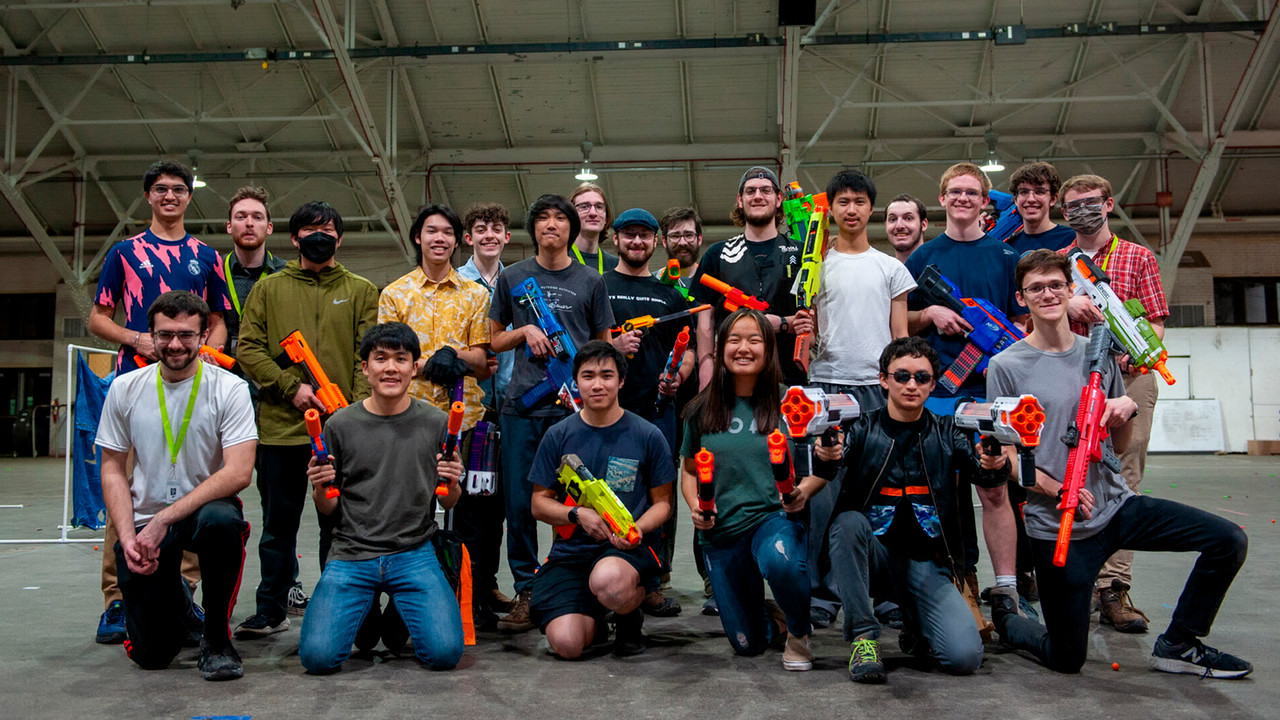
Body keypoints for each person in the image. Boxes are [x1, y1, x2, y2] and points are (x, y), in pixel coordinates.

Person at [988, 249, 1250, 678]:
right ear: (1022, 298)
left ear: (1071, 289)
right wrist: (1058, 489)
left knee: (1228, 540)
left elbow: (1120, 442)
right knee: (1065, 658)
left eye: (1056, 285)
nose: (1048, 293)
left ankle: (1180, 643)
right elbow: (1008, 457)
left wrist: (1126, 409)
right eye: (1036, 288)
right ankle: (1010, 621)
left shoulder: (1099, 352)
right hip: (1059, 527)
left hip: (1117, 507)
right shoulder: (1006, 366)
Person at [89, 160, 232, 645]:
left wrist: (207, 357)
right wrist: (137, 339)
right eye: (160, 189)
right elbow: (97, 319)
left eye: (178, 189)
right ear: (148, 196)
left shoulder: (206, 255)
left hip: (191, 384)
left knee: (193, 487)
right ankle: (116, 599)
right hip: (136, 381)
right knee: (126, 490)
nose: (169, 196)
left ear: (189, 197)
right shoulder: (124, 253)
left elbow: (219, 320)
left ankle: (183, 589)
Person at [828, 336, 1011, 683]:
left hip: (929, 564)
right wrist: (825, 455)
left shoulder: (948, 431)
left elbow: (981, 473)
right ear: (884, 380)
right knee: (848, 524)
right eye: (902, 376)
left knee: (964, 658)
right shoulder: (862, 427)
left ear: (932, 383)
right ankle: (864, 640)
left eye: (922, 378)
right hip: (874, 557)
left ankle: (918, 626)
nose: (911, 385)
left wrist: (993, 463)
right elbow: (830, 465)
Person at [234, 201, 379, 639]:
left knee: (339, 524)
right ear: (294, 238)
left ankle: (341, 609)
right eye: (311, 229)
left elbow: (366, 354)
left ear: (340, 237)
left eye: (329, 229)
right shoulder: (269, 289)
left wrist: (351, 410)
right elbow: (248, 348)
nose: (321, 235)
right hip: (281, 428)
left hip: (341, 430)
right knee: (279, 525)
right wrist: (289, 387)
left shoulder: (361, 289)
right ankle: (272, 608)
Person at [96, 291, 256, 681]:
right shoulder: (125, 387)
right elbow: (113, 468)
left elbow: (238, 473)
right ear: (150, 335)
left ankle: (217, 641)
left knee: (222, 521)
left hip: (203, 511)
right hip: (146, 520)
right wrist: (129, 536)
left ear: (203, 337)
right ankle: (180, 606)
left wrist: (163, 519)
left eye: (186, 335)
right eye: (165, 335)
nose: (175, 344)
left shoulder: (229, 388)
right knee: (151, 656)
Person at [297, 323, 465, 673]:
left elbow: (448, 503)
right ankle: (369, 610)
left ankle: (396, 614)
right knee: (318, 659)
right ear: (365, 368)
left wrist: (452, 481)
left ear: (414, 367)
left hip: (414, 552)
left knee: (445, 653)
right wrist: (318, 487)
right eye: (381, 359)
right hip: (352, 554)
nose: (391, 368)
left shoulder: (437, 423)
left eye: (401, 359)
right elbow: (328, 508)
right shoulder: (339, 425)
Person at [903, 162, 1028, 619]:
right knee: (944, 488)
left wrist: (999, 340)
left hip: (991, 387)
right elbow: (903, 322)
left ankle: (1009, 589)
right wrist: (933, 314)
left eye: (972, 192)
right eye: (954, 191)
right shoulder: (923, 258)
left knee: (995, 487)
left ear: (983, 201)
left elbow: (1021, 320)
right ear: (942, 199)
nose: (962, 198)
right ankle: (960, 578)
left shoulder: (1005, 256)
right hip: (939, 389)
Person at [489, 194, 615, 631]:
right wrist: (524, 330)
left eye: (561, 218)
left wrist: (583, 388)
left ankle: (580, 584)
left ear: (572, 228)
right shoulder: (514, 277)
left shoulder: (590, 280)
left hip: (576, 410)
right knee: (521, 503)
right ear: (533, 230)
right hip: (524, 404)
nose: (551, 225)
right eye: (542, 219)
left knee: (581, 500)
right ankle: (527, 587)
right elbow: (493, 341)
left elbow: (603, 344)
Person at [679, 308, 826, 671]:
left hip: (771, 520)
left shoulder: (793, 403)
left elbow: (821, 466)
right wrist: (696, 506)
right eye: (734, 340)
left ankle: (798, 630)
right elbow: (688, 471)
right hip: (721, 532)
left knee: (782, 561)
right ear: (720, 347)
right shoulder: (700, 409)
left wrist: (803, 492)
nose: (743, 348)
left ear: (769, 349)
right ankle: (771, 616)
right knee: (747, 645)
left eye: (754, 340)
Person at [1057, 174, 1171, 633]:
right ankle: (1077, 580)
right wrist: (1069, 306)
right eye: (1072, 206)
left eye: (1090, 202)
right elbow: (1038, 313)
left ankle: (1114, 589)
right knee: (1072, 471)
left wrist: (1138, 352)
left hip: (1130, 376)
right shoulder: (1061, 263)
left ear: (1108, 204)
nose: (1082, 210)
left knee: (1123, 474)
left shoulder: (1137, 256)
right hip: (1075, 373)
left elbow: (1158, 320)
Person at [805, 169, 916, 630]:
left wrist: (900, 386)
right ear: (830, 208)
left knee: (881, 495)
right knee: (822, 494)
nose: (851, 209)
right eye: (842, 201)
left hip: (876, 390)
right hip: (826, 385)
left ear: (872, 209)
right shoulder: (814, 268)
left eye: (859, 201)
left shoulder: (891, 268)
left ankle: (883, 589)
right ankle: (821, 591)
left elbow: (902, 337)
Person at [377, 203, 495, 637]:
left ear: (456, 240)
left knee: (470, 516)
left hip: (465, 423)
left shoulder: (476, 294)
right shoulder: (395, 293)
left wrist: (457, 357)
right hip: (408, 422)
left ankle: (470, 598)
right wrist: (431, 364)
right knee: (413, 511)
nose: (440, 239)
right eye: (431, 231)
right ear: (418, 238)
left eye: (447, 232)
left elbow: (483, 361)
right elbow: (388, 359)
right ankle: (406, 606)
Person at [528, 341, 675, 658]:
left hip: (626, 550)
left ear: (621, 381)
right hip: (572, 553)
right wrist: (577, 515)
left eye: (607, 375)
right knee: (567, 645)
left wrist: (634, 529)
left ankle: (628, 615)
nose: (597, 384)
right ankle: (596, 614)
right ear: (576, 381)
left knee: (609, 581)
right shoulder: (559, 434)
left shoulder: (647, 435)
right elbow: (539, 503)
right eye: (588, 375)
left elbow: (663, 504)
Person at [604, 207, 694, 617]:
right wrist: (613, 349)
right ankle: (608, 575)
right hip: (611, 410)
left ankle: (655, 580)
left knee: (660, 494)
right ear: (616, 240)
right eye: (629, 235)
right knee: (611, 491)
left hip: (660, 409)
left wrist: (678, 376)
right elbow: (587, 343)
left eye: (645, 236)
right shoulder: (600, 286)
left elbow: (687, 347)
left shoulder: (670, 294)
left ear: (656, 243)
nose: (637, 242)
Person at [455, 201, 517, 626]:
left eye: (496, 228)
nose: (489, 235)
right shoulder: (458, 283)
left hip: (515, 406)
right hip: (472, 410)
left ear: (507, 237)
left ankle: (491, 581)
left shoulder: (517, 281)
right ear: (469, 236)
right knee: (473, 504)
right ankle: (471, 585)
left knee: (504, 502)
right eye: (481, 228)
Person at [691, 167, 810, 387]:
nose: (757, 196)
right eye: (750, 191)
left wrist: (782, 324)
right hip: (730, 377)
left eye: (765, 190)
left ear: (778, 199)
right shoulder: (718, 254)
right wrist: (706, 366)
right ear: (740, 200)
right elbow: (705, 321)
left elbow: (814, 317)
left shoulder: (803, 253)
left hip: (789, 378)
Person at [223, 186, 287, 357]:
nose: (249, 223)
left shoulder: (287, 274)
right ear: (229, 226)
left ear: (269, 227)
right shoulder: (213, 271)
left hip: (272, 372)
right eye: (241, 217)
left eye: (257, 217)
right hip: (222, 370)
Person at [1004, 162, 1076, 256]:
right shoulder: (1008, 246)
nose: (1031, 199)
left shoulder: (1072, 239)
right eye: (1024, 192)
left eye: (1040, 192)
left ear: (1053, 199)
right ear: (1015, 199)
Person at [569, 182, 620, 273]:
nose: (593, 213)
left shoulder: (616, 266)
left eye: (599, 207)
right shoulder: (556, 261)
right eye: (584, 207)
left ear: (606, 218)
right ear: (571, 216)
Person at [656, 206, 704, 291]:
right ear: (664, 241)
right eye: (675, 236)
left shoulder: (711, 283)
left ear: (699, 239)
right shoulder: (654, 282)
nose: (682, 243)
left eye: (689, 235)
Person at [884, 194, 929, 264]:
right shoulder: (881, 273)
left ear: (923, 225)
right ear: (886, 226)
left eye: (908, 218)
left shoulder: (944, 271)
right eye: (893, 219)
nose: (899, 226)